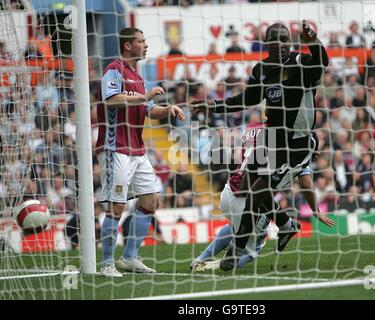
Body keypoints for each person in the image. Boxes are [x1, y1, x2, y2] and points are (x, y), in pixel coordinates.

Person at [192, 21, 330, 271]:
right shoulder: (262, 69)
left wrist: (313, 42)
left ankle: (237, 247)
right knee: (247, 185)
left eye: (286, 41)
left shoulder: (301, 63)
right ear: (267, 44)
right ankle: (286, 224)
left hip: (297, 145)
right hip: (271, 139)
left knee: (257, 192)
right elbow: (246, 99)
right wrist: (214, 106)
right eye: (276, 42)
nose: (282, 46)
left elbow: (322, 63)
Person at [96, 27, 185, 277]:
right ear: (128, 46)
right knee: (116, 207)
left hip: (137, 149)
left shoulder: (138, 74)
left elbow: (148, 109)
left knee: (151, 200)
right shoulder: (114, 69)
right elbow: (110, 99)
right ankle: (107, 264)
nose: (145, 45)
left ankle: (130, 257)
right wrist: (144, 96)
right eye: (141, 41)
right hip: (116, 148)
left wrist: (168, 109)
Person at [190, 121, 335, 272]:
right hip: (249, 200)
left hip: (229, 191)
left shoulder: (252, 127)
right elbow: (305, 181)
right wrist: (315, 210)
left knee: (235, 227)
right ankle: (210, 266)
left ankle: (201, 259)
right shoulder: (288, 139)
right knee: (252, 251)